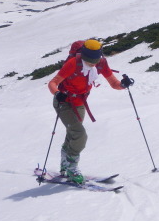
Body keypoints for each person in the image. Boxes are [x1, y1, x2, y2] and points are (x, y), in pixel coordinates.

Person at [47, 39, 127, 184]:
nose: (92, 65)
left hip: (79, 103)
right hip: (63, 102)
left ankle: (65, 164)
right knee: (80, 135)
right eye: (89, 62)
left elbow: (114, 83)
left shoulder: (101, 63)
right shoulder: (73, 63)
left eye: (95, 62)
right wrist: (57, 93)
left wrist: (123, 85)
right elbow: (53, 82)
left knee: (73, 134)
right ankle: (72, 167)